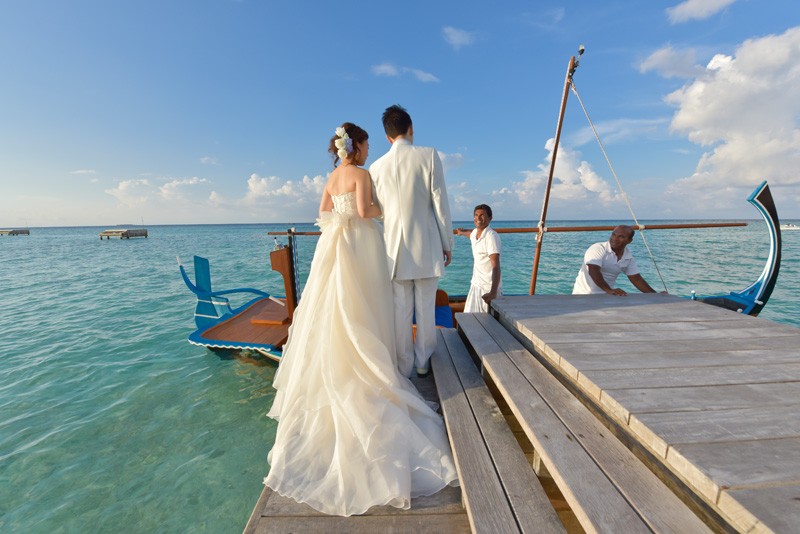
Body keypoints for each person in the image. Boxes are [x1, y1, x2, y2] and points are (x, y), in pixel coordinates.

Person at [263, 123, 458, 516]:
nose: (368, 149)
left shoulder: (334, 176)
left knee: (338, 307)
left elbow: (322, 212)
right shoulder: (365, 173)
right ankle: (409, 363)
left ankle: (376, 363)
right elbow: (369, 209)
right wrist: (390, 210)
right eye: (364, 144)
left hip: (335, 244)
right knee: (370, 303)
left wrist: (342, 219)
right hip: (364, 242)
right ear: (359, 145)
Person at [369, 105, 454, 378]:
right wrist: (447, 243)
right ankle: (423, 362)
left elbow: (379, 211)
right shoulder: (428, 155)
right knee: (426, 307)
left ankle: (403, 365)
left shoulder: (376, 167)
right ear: (411, 128)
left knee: (401, 310)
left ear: (387, 136)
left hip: (393, 249)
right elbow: (440, 204)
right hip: (426, 246)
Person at [572, 224, 661, 296]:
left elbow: (636, 279)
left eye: (621, 236)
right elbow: (593, 270)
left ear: (629, 241)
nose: (614, 239)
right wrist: (609, 290)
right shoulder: (598, 248)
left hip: (607, 296)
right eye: (613, 234)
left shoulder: (628, 257)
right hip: (583, 295)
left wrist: (655, 295)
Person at [456, 204, 502, 312]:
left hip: (488, 288)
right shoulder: (475, 233)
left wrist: (493, 292)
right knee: (469, 319)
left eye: (482, 215)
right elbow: (470, 234)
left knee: (487, 324)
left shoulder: (491, 236)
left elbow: (496, 265)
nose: (478, 218)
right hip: (476, 285)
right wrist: (461, 232)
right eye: (476, 215)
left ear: (490, 218)